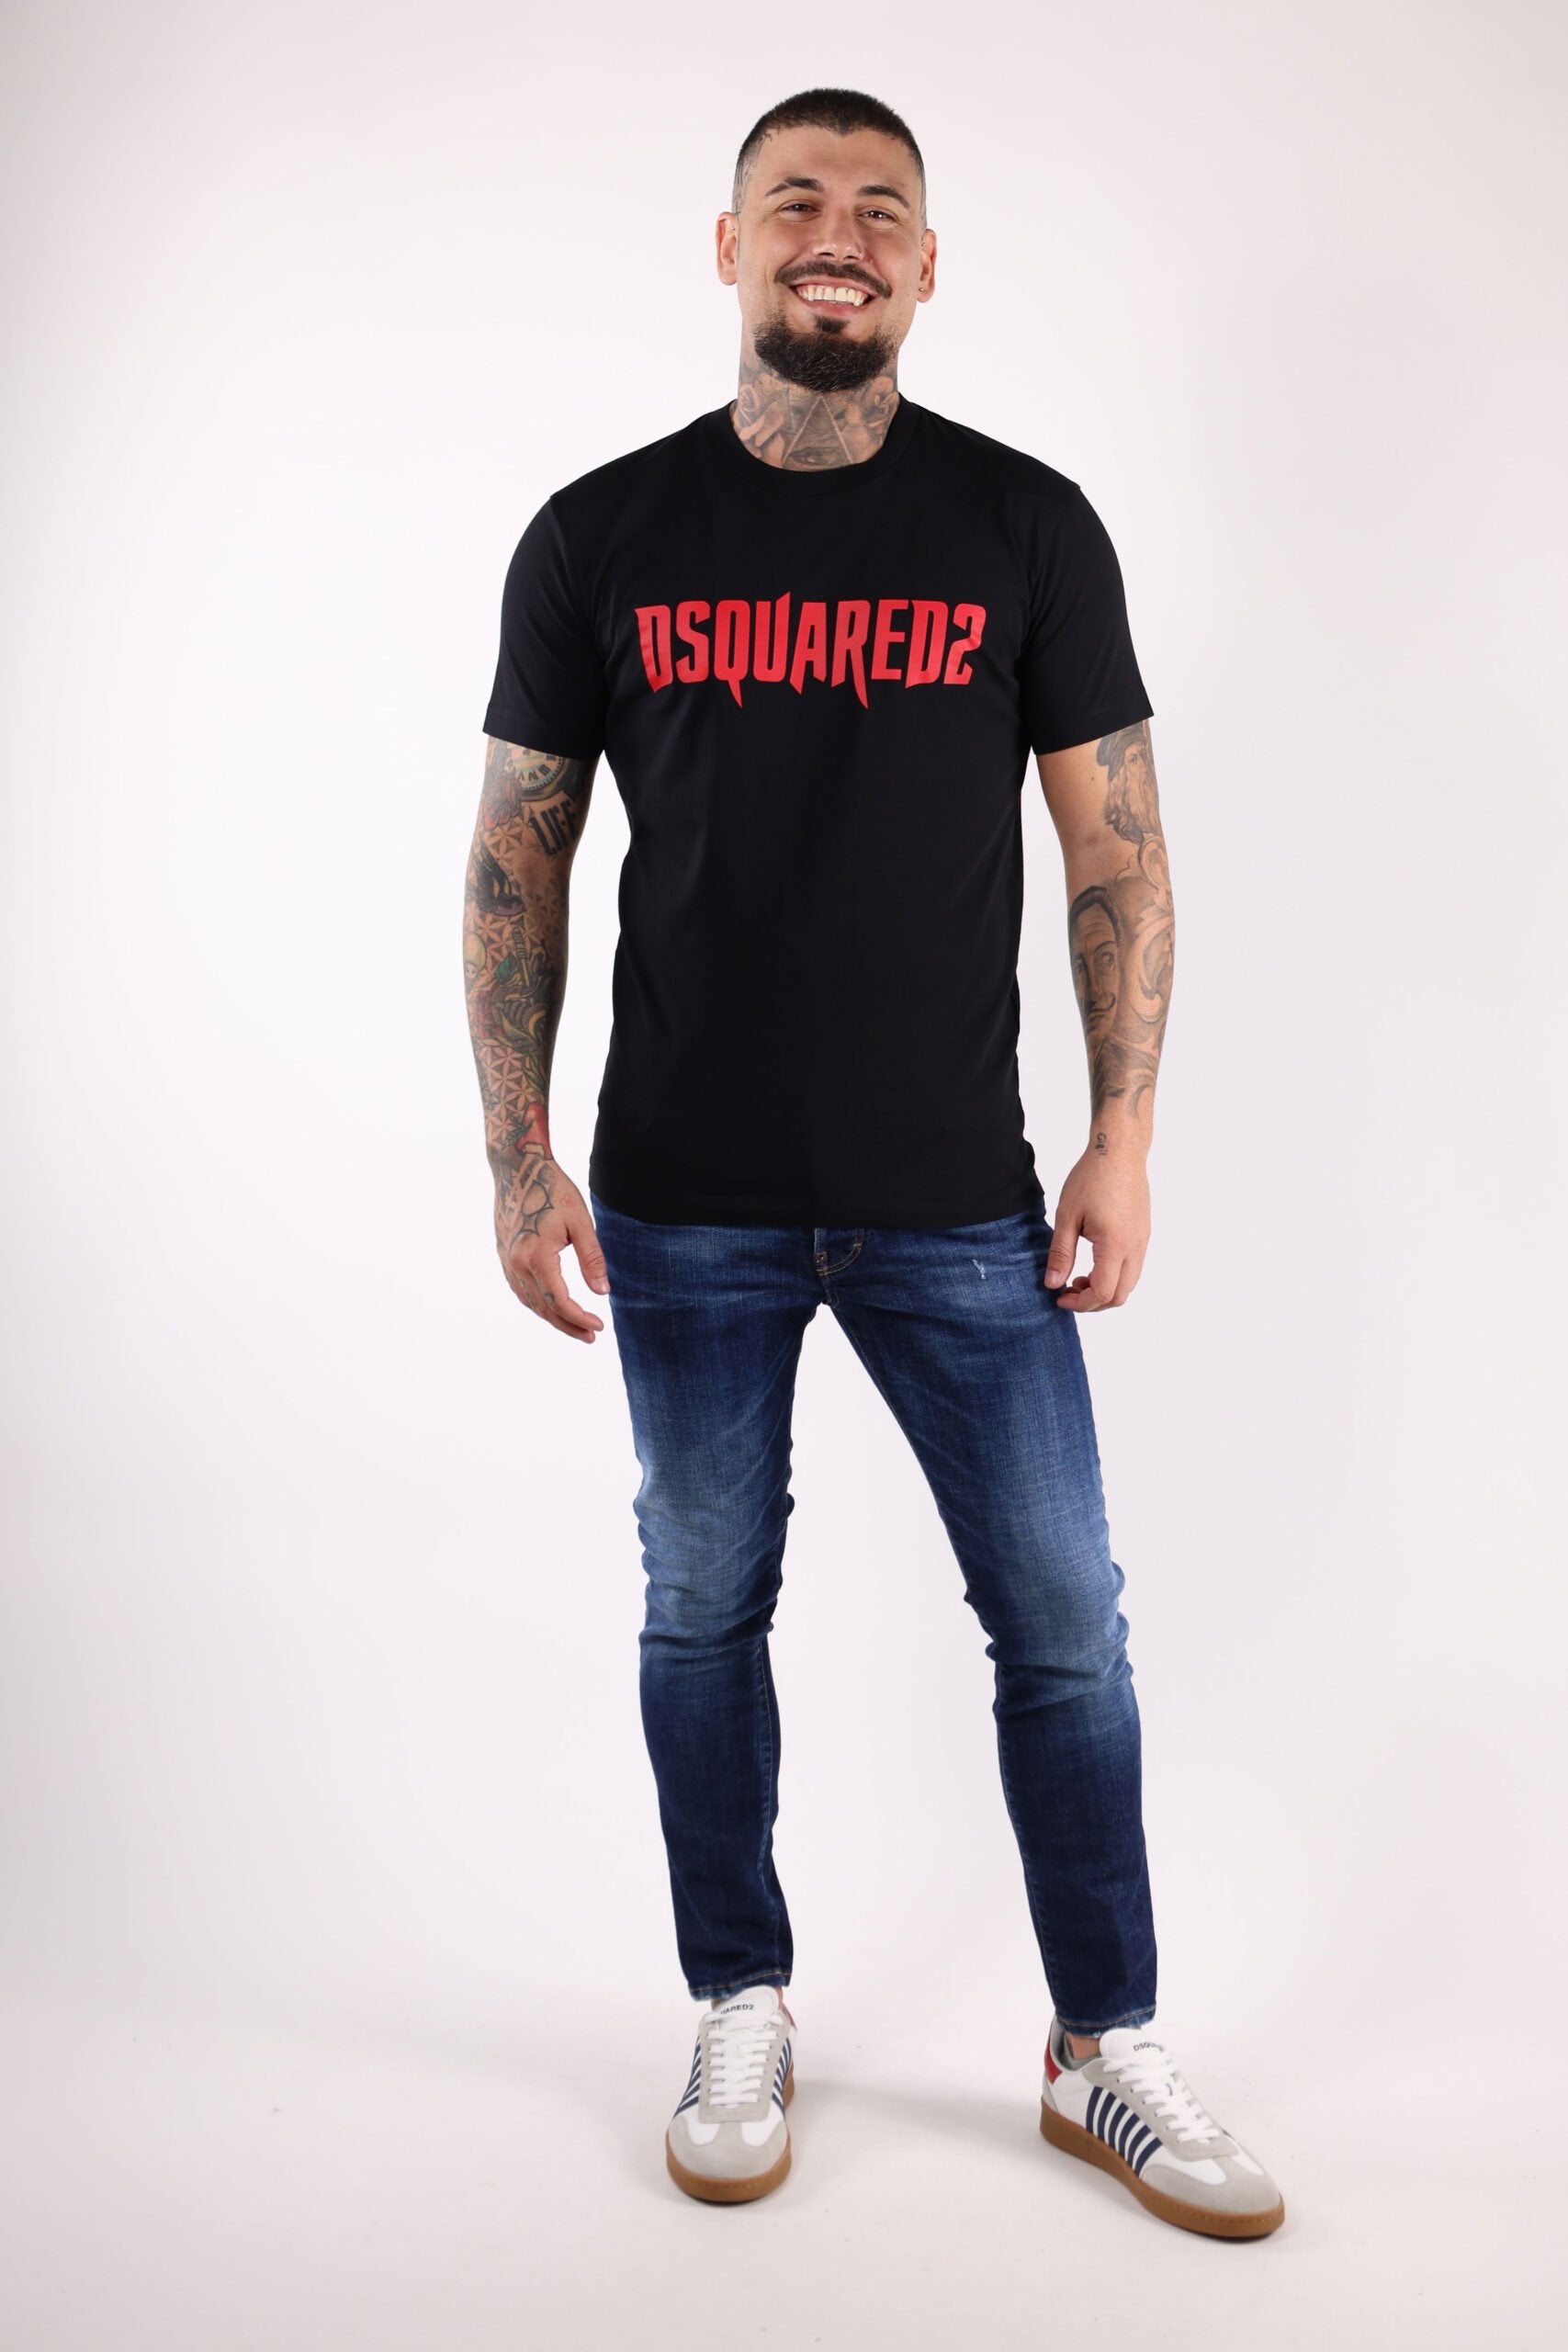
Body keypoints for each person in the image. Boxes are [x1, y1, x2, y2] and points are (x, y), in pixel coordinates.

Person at [465, 86, 1284, 2240]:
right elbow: (516, 853)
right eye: (795, 201)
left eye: (878, 208)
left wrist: (1119, 1134)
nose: (834, 233)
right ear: (725, 244)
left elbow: (1114, 847)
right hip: (680, 1192)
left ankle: (1099, 2043)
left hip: (954, 1195)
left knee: (1062, 1619)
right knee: (700, 1601)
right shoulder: (599, 534)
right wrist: (516, 1152)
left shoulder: (1024, 525)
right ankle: (737, 1997)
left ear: (926, 266)